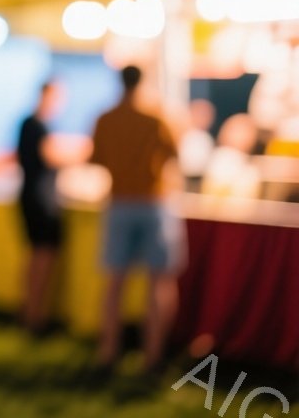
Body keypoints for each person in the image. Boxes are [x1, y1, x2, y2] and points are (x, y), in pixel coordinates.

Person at [89, 64, 182, 374]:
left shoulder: (105, 119)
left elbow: (97, 158)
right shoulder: (158, 117)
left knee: (115, 281)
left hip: (118, 202)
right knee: (159, 279)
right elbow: (175, 153)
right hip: (154, 202)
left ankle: (108, 352)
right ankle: (153, 355)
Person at [16, 80, 67, 335]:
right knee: (42, 257)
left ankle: (30, 311)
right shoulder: (38, 125)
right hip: (41, 199)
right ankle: (35, 315)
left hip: (30, 195)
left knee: (36, 256)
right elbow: (50, 156)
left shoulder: (28, 123)